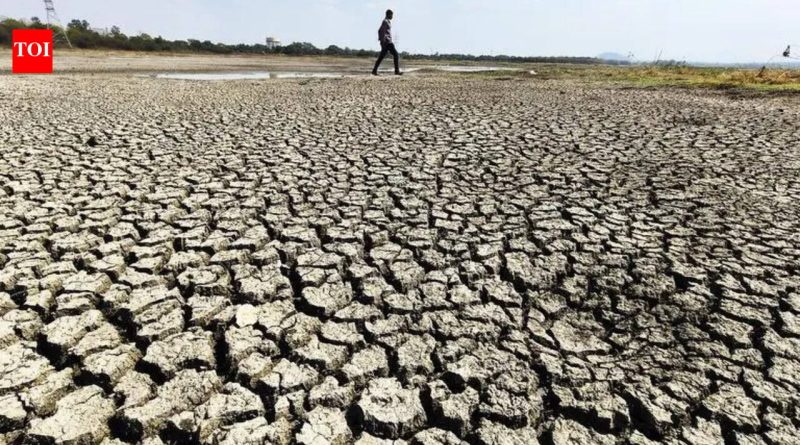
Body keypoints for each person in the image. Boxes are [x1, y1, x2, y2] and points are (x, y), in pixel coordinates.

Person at [372, 9, 402, 75]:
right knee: (396, 55)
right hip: (387, 42)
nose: (392, 16)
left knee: (381, 57)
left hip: (387, 41)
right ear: (388, 14)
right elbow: (380, 31)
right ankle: (397, 71)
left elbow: (381, 31)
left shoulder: (388, 21)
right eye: (391, 15)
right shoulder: (385, 21)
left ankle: (374, 70)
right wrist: (382, 41)